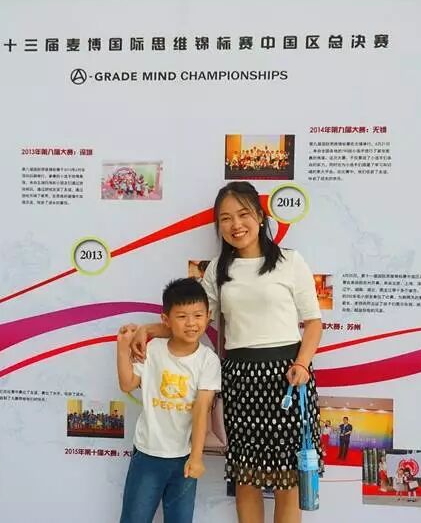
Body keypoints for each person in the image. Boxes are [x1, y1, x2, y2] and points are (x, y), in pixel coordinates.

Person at [129, 181, 323, 523]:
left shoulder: (290, 262)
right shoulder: (219, 268)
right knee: (245, 478)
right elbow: (195, 319)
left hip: (288, 378)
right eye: (226, 218)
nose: (236, 224)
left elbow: (314, 322)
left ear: (260, 216)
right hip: (240, 378)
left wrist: (303, 364)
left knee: (288, 481)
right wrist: (149, 330)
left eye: (243, 214)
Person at [116, 278, 222, 523]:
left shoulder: (208, 360)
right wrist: (122, 349)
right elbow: (127, 384)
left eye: (198, 315)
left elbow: (201, 409)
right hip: (147, 453)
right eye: (182, 316)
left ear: (208, 316)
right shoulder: (154, 350)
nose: (191, 323)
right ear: (166, 320)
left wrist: (196, 457)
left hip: (184, 458)